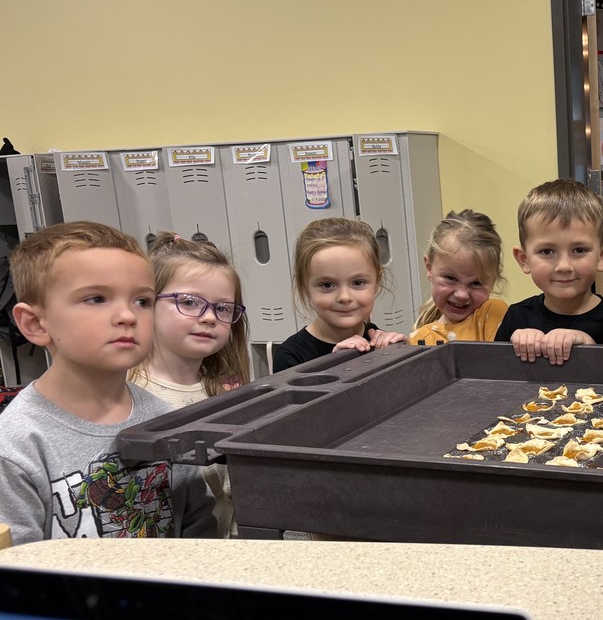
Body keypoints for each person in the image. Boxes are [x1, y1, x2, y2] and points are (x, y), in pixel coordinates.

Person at [0, 222, 216, 545]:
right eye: (97, 298)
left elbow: (198, 523)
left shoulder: (163, 418)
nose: (127, 316)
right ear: (35, 323)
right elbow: (16, 563)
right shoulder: (16, 445)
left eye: (142, 301)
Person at [129, 232, 250, 538]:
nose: (209, 317)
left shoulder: (221, 392)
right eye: (189, 302)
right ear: (146, 304)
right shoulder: (130, 398)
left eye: (223, 308)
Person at [495, 179, 603, 364]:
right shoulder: (516, 318)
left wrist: (590, 347)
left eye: (579, 250)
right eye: (547, 251)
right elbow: (493, 377)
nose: (564, 266)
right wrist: (513, 349)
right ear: (524, 259)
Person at [273, 217, 406, 372]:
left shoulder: (379, 343)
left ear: (377, 282)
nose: (344, 297)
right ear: (304, 286)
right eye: (327, 285)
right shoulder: (290, 357)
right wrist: (336, 364)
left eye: (358, 283)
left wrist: (405, 357)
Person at [409, 210, 508, 344]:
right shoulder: (418, 339)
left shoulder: (492, 314)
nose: (462, 295)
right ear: (429, 267)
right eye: (450, 278)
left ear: (493, 280)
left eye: (476, 283)